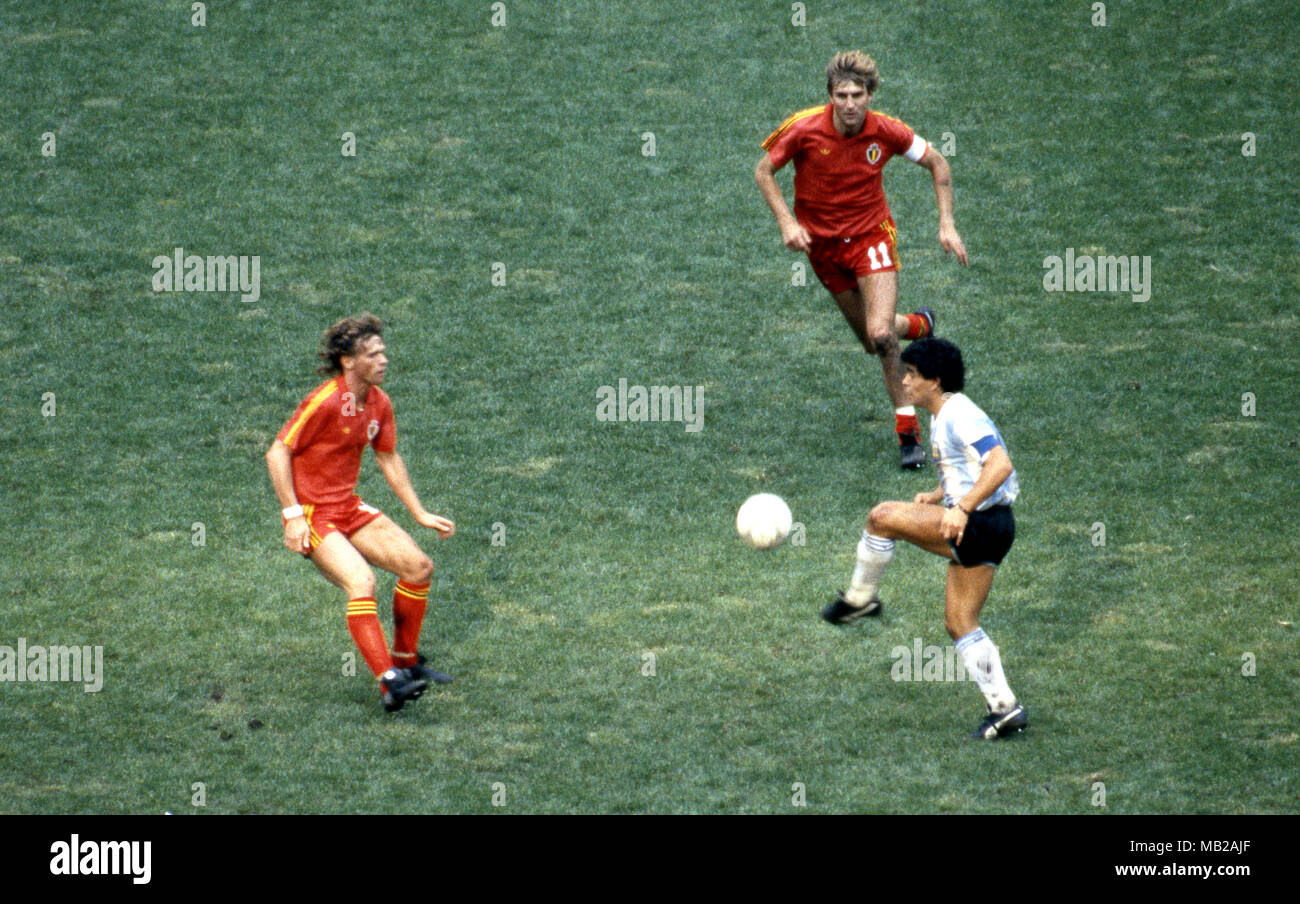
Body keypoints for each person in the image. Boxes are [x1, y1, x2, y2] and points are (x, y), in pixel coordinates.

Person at [755, 50, 969, 469]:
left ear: (870, 95)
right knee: (874, 341)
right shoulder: (803, 129)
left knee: (883, 337)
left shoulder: (887, 131)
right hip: (823, 250)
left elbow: (937, 163)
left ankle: (909, 436)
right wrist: (786, 223)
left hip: (871, 239)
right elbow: (764, 171)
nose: (849, 104)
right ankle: (918, 325)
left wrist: (947, 224)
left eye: (857, 94)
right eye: (841, 95)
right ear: (830, 96)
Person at [821, 338, 1026, 740]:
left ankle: (861, 600)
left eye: (912, 375)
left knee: (881, 518)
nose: (904, 380)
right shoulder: (945, 414)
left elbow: (1000, 464)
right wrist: (938, 496)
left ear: (935, 380)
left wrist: (961, 507)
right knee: (960, 623)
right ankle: (1005, 708)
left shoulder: (958, 415)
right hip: (996, 526)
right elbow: (966, 466)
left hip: (978, 523)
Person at [265, 313, 455, 712]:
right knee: (361, 581)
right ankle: (389, 682)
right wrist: (292, 515)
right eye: (373, 354)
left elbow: (386, 456)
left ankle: (406, 664)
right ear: (349, 361)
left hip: (348, 507)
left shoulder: (379, 403)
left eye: (384, 352)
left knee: (419, 567)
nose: (384, 359)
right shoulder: (326, 400)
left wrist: (418, 512)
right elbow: (277, 451)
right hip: (315, 515)